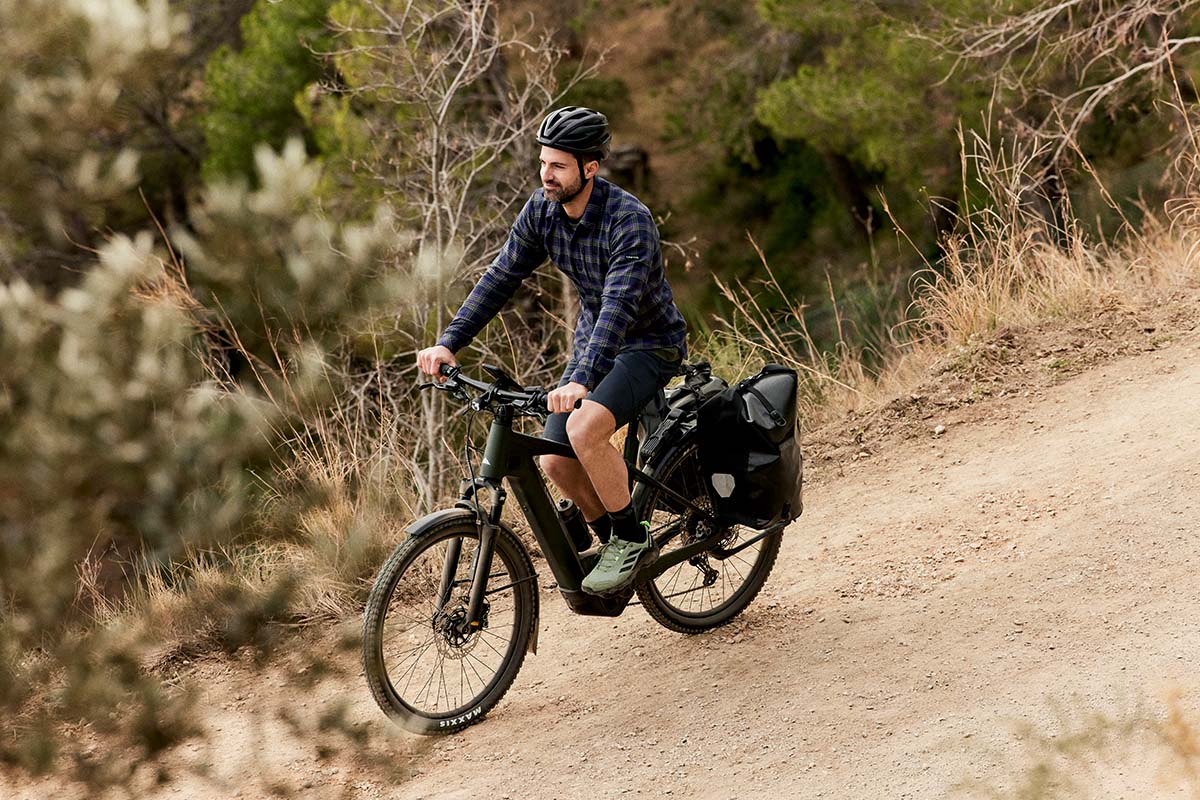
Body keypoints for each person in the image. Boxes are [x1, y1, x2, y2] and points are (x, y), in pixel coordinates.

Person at [416, 106, 688, 595]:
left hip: (648, 344)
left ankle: (631, 538)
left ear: (590, 168)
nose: (546, 174)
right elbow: (501, 277)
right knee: (555, 461)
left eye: (558, 165)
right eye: (543, 162)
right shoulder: (541, 210)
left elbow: (616, 307)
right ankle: (610, 539)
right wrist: (448, 341)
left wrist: (581, 378)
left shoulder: (630, 221)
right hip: (594, 345)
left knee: (584, 430)